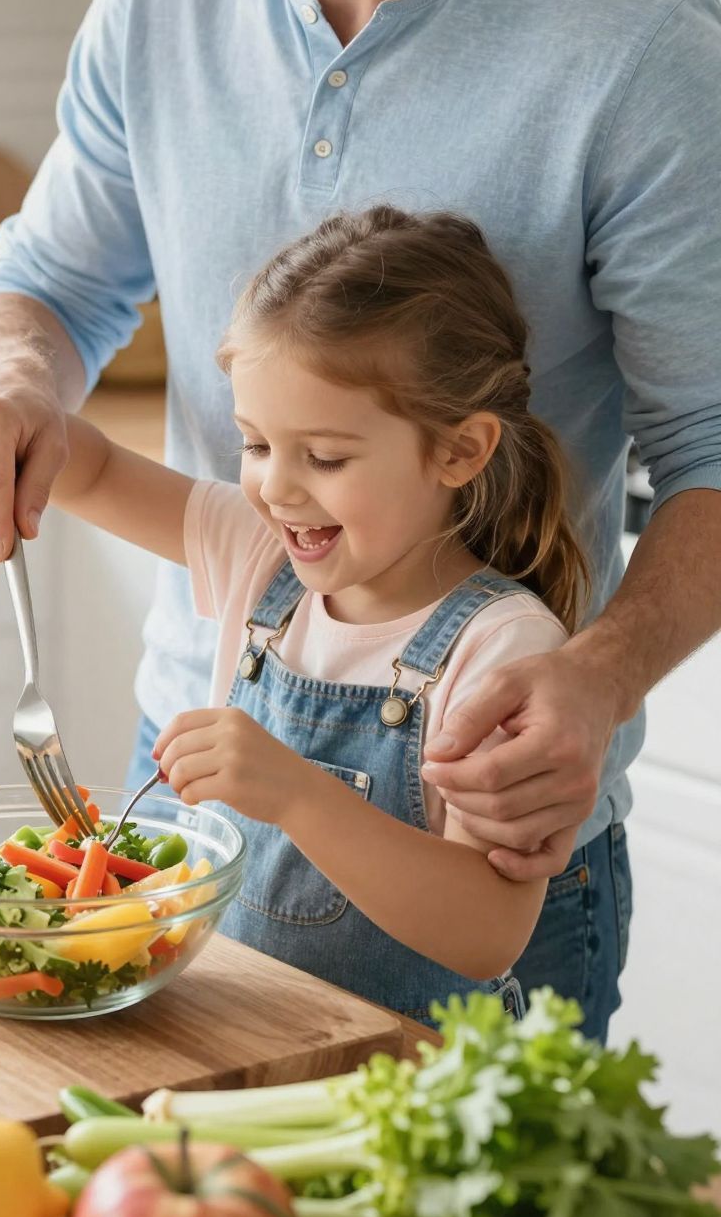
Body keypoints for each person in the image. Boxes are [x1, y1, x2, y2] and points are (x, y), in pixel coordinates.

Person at [0, 0, 721, 1038]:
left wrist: (600, 678)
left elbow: (715, 451)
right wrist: (9, 389)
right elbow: (48, 284)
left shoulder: (641, 53)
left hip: (484, 822)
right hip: (194, 799)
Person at [48, 207, 588, 1027]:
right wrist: (2, 418)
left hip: (397, 1079)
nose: (276, 489)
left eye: (325, 457)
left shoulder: (502, 647)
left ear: (459, 451)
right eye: (256, 444)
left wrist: (297, 794)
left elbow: (487, 931)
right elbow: (85, 471)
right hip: (242, 1043)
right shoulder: (258, 552)